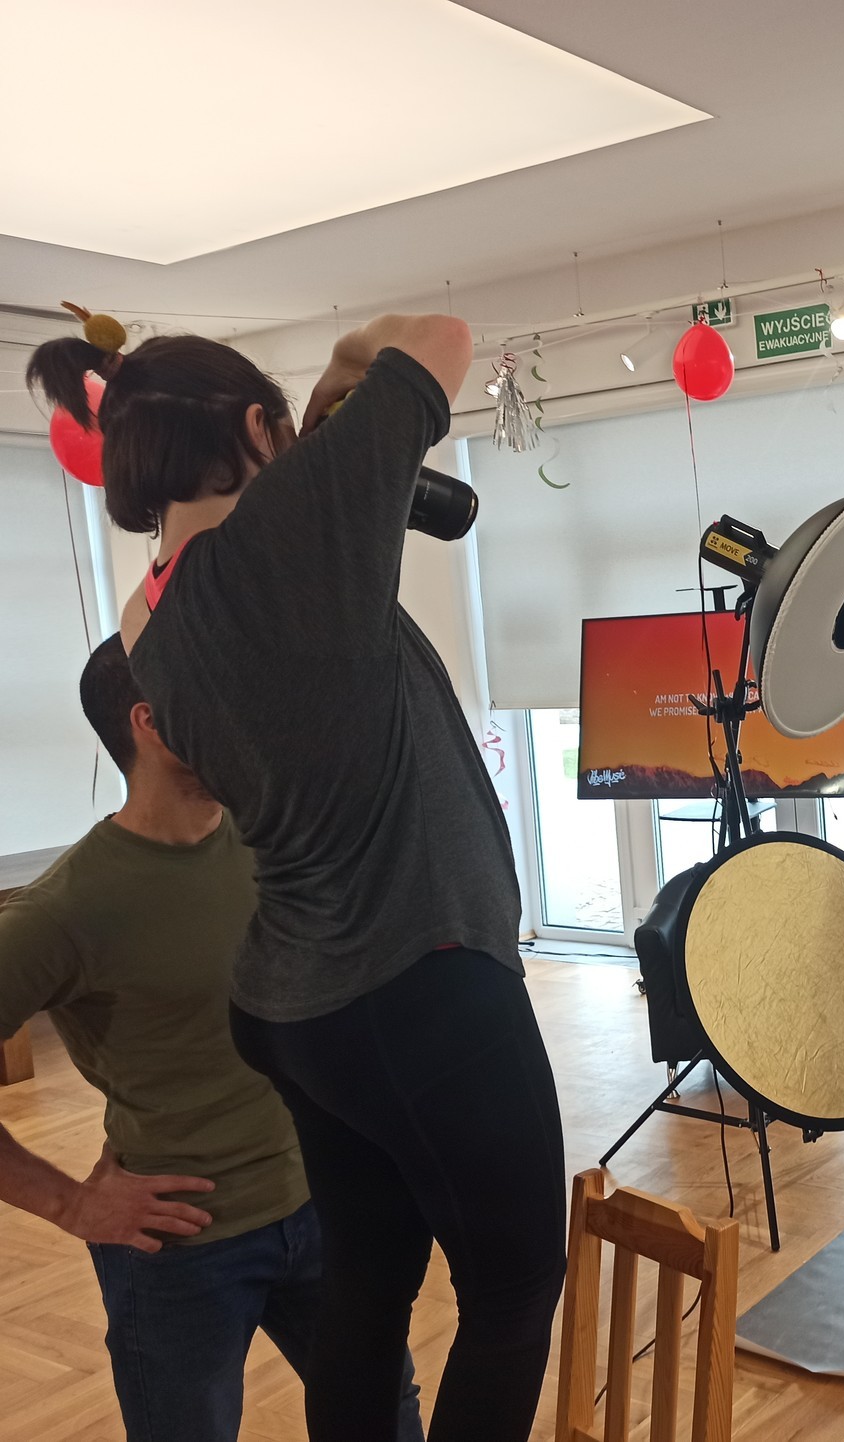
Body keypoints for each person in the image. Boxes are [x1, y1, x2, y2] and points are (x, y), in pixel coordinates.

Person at [28, 314, 566, 1442]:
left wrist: (308, 424)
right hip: (422, 971)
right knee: (514, 1287)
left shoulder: (147, 619)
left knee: (369, 1282)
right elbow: (438, 336)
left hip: (299, 1006)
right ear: (255, 429)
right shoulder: (295, 538)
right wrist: (342, 367)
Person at [0, 635, 423, 1442]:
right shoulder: (64, 910)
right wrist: (68, 1202)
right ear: (153, 723)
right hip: (178, 1253)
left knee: (385, 1419)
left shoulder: (273, 841)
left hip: (322, 1209)